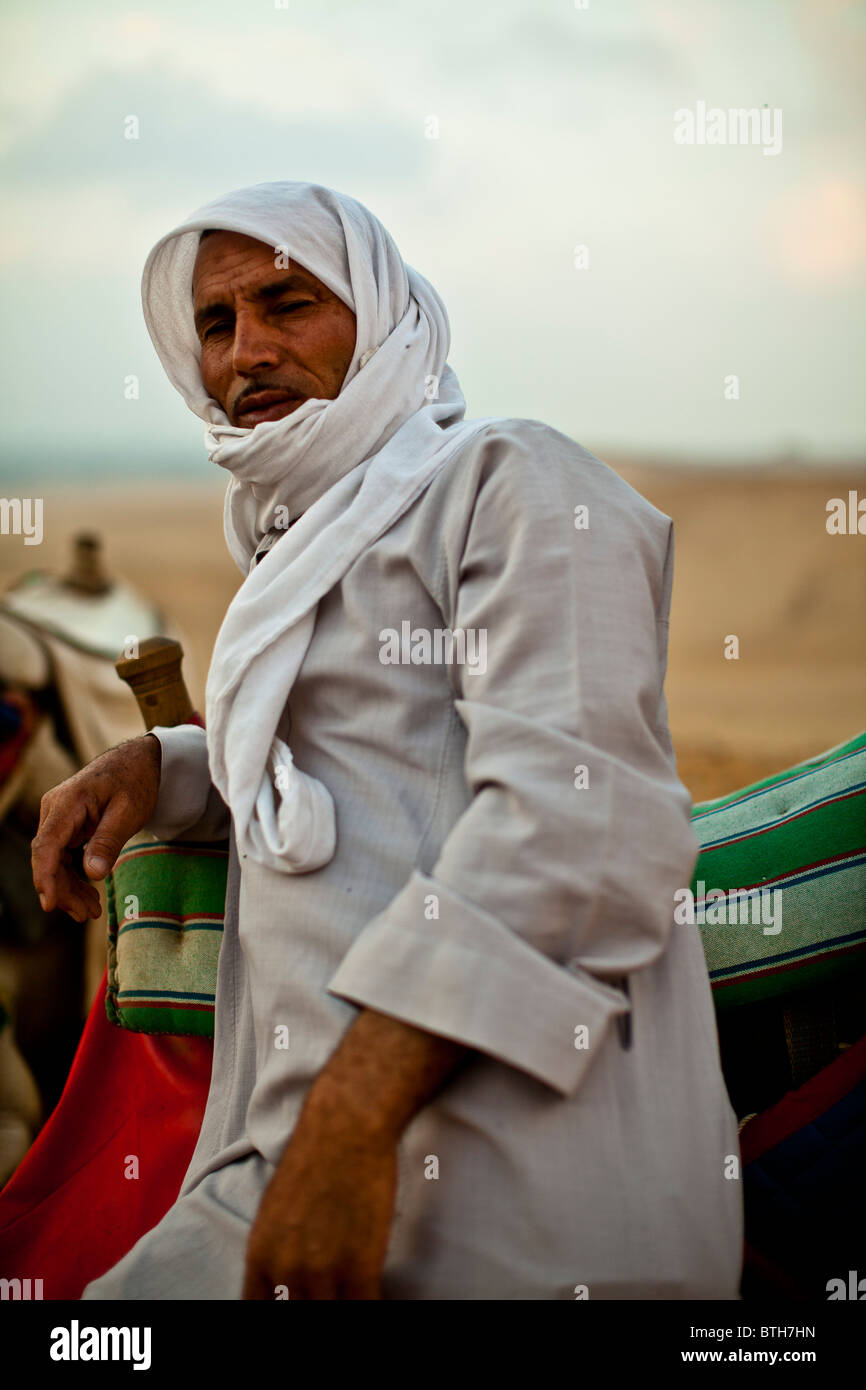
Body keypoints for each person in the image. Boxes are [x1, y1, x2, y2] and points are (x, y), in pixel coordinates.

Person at [31, 180, 743, 1300]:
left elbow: (577, 825)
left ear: (382, 316)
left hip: (503, 1193)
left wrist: (349, 1124)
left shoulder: (509, 481)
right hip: (277, 1173)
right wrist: (165, 769)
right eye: (215, 325)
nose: (245, 353)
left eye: (287, 302)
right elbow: (354, 786)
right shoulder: (299, 547)